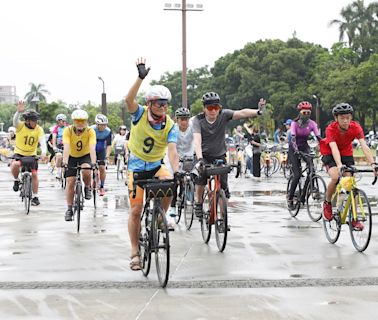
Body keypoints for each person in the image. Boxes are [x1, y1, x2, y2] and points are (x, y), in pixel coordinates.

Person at [125, 58, 179, 271]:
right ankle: (134, 251)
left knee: (170, 183)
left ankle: (160, 217)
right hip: (136, 168)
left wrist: (178, 171)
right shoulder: (139, 114)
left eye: (166, 104)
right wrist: (140, 78)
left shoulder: (170, 125)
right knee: (136, 210)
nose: (163, 107)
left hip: (156, 166)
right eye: (159, 103)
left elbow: (172, 151)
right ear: (149, 104)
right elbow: (128, 100)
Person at [193, 91, 266, 217]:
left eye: (216, 108)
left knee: (224, 188)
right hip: (203, 156)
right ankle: (198, 203)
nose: (213, 111)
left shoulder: (224, 115)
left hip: (219, 155)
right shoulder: (198, 120)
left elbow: (242, 113)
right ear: (204, 108)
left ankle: (223, 217)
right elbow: (197, 141)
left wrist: (258, 111)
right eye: (210, 108)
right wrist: (199, 159)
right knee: (201, 179)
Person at [320, 103, 378, 229]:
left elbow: (364, 146)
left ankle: (354, 219)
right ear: (336, 119)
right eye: (342, 118)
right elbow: (334, 148)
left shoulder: (356, 127)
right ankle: (327, 203)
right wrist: (339, 165)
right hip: (330, 152)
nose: (345, 121)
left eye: (348, 117)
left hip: (346, 153)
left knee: (351, 184)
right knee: (335, 177)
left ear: (351, 117)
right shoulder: (331, 128)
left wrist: (373, 164)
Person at [10, 101, 47, 206]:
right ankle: (16, 180)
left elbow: (42, 142)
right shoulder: (20, 126)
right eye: (34, 120)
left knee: (34, 174)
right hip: (19, 153)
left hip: (32, 154)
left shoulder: (39, 129)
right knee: (15, 164)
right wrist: (18, 111)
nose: (36, 122)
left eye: (36, 120)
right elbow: (14, 121)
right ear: (27, 121)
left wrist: (43, 153)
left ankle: (35, 197)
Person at [62, 109, 97, 221]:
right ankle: (69, 208)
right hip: (71, 156)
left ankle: (87, 187)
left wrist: (94, 162)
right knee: (70, 182)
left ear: (86, 122)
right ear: (73, 121)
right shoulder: (67, 130)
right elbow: (66, 147)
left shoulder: (90, 131)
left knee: (86, 170)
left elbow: (92, 148)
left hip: (85, 155)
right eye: (77, 121)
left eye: (82, 121)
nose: (80, 124)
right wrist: (65, 162)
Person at [287, 101, 321, 210]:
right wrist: (296, 150)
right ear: (300, 112)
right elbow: (292, 138)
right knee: (297, 175)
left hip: (305, 147)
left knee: (312, 171)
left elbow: (318, 137)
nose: (306, 114)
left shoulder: (312, 123)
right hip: (294, 148)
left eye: (308, 112)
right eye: (304, 112)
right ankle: (290, 198)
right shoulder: (294, 123)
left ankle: (303, 195)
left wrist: (325, 146)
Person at [168, 106, 194, 217]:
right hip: (176, 155)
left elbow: (197, 142)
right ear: (177, 120)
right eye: (181, 119)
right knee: (174, 180)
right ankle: (173, 206)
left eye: (186, 119)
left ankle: (188, 192)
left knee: (193, 175)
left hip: (189, 155)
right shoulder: (173, 129)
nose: (184, 122)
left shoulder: (193, 128)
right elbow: (171, 147)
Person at [91, 114, 112, 196]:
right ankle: (94, 179)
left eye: (105, 125)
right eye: (102, 125)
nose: (104, 127)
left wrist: (107, 156)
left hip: (101, 149)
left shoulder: (108, 131)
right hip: (92, 148)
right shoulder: (91, 130)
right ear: (97, 124)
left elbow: (109, 145)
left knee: (102, 168)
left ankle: (102, 186)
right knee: (91, 167)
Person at [52, 114, 68, 179]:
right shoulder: (56, 128)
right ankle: (58, 172)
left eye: (64, 121)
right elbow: (54, 137)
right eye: (61, 121)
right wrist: (54, 146)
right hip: (59, 145)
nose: (63, 122)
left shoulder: (68, 127)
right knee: (59, 156)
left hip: (67, 145)